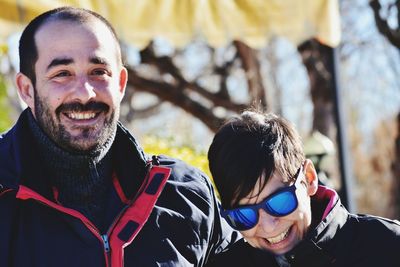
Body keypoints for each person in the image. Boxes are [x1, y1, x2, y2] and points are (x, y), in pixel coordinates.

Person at [0, 7, 240, 267]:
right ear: (27, 89)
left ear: (121, 83)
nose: (85, 93)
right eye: (62, 74)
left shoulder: (186, 194)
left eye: (99, 72)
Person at [206, 110, 400, 267]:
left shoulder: (388, 247)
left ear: (309, 178)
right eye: (244, 215)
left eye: (279, 202)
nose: (268, 226)